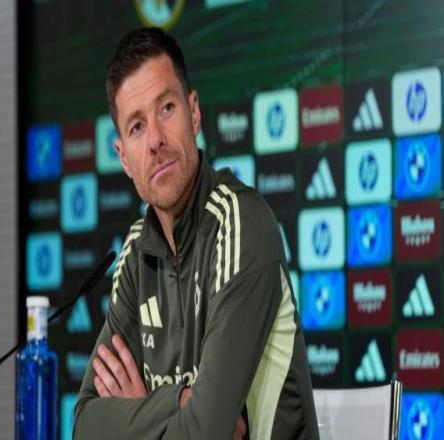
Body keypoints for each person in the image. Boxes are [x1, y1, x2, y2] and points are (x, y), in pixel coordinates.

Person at [74, 27, 319, 440]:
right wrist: (177, 402)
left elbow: (205, 432)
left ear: (194, 113)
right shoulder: (136, 252)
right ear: (124, 158)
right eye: (136, 127)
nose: (155, 139)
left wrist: (140, 410)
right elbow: (85, 423)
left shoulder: (241, 223)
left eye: (167, 108)